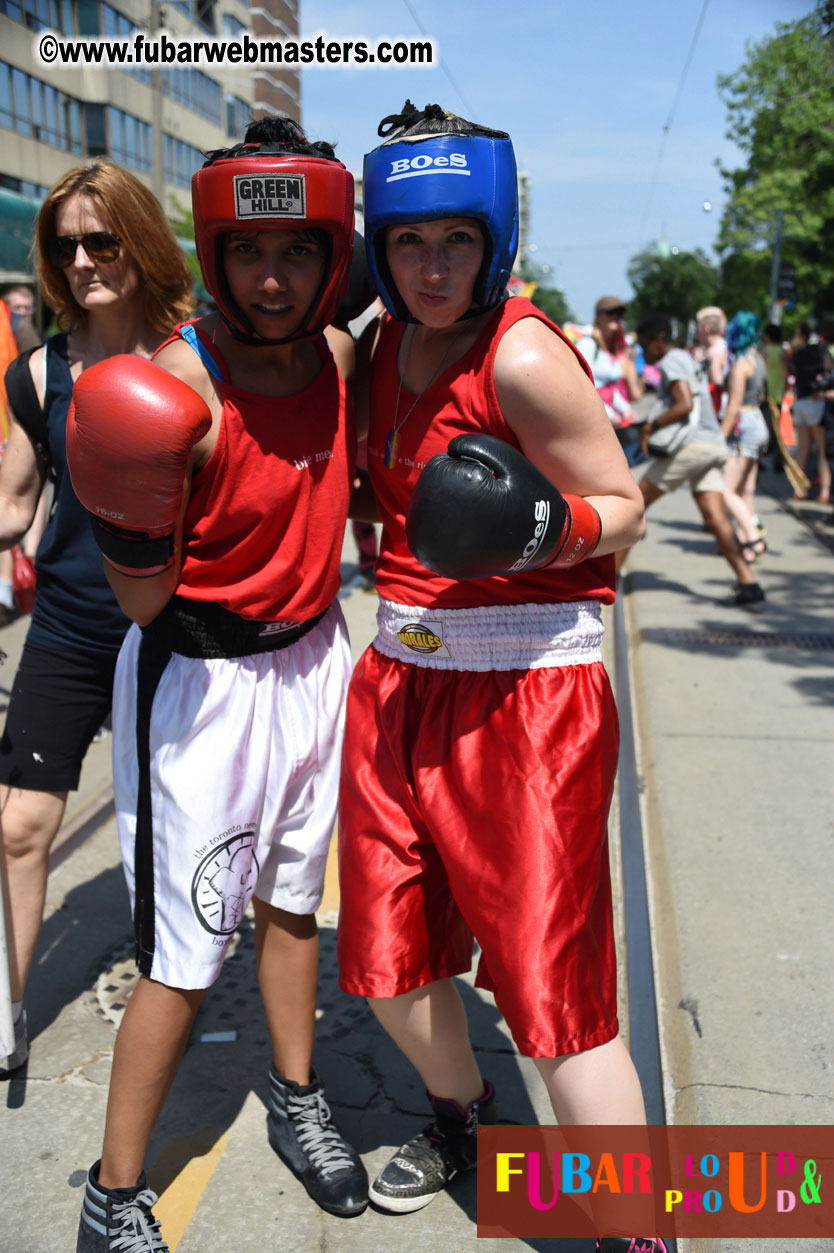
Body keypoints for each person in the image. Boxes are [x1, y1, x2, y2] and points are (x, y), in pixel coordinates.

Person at [336, 100, 664, 1253]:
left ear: (493, 239)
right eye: (410, 241)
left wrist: (538, 529)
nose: (431, 267)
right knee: (384, 960)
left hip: (527, 700)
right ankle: (465, 1121)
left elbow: (624, 508)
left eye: (455, 241)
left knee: (555, 1000)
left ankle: (639, 1228)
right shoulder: (376, 344)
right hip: (398, 679)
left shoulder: (520, 353)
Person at [68, 116, 368, 1253]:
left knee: (297, 903)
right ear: (217, 253)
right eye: (249, 251)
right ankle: (113, 1188)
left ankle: (297, 1095)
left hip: (312, 660)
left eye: (296, 253)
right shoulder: (173, 388)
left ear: (332, 253)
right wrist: (121, 497)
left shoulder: (341, 360)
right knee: (187, 955)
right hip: (200, 682)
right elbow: (140, 605)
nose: (276, 276)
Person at [0, 160, 194, 1079]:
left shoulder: (193, 356)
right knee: (18, 824)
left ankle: (176, 987)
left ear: (139, 241)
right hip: (72, 629)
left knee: (171, 830)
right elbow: (13, 501)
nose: (81, 260)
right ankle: (4, 1011)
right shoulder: (36, 374)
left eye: (101, 240)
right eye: (65, 244)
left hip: (171, 629)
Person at [623, 313, 765, 609]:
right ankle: (748, 583)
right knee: (716, 519)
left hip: (693, 446)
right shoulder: (686, 357)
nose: (644, 351)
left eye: (645, 343)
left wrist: (652, 426)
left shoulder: (672, 359)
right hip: (713, 445)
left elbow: (684, 403)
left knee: (633, 504)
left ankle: (604, 580)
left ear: (657, 339)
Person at [720, 312, 770, 561]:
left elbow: (733, 406)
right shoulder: (759, 359)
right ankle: (747, 541)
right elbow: (760, 397)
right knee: (745, 490)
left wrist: (719, 438)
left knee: (726, 490)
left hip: (744, 427)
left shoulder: (741, 363)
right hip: (758, 423)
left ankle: (753, 537)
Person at [575, 296, 643, 464]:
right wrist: (609, 413)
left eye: (619, 314)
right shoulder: (588, 344)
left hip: (609, 423)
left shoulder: (608, 347)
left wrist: (625, 409)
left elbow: (611, 389)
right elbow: (582, 384)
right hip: (592, 420)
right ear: (599, 316)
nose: (616, 317)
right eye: (611, 312)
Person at [790, 319, 832, 503]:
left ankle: (798, 489)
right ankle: (824, 491)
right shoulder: (823, 352)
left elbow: (791, 371)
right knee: (823, 452)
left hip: (800, 402)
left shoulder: (798, 354)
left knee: (802, 450)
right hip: (817, 402)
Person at [695, 306, 728, 418]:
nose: (697, 332)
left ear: (706, 328)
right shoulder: (725, 345)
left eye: (698, 327)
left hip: (717, 412)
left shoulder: (713, 352)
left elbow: (717, 384)